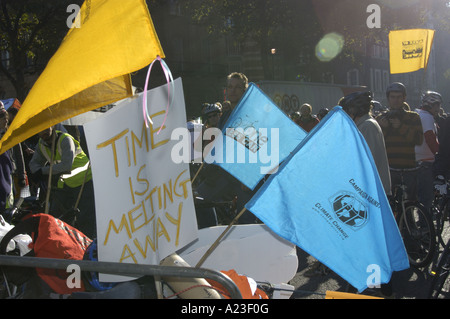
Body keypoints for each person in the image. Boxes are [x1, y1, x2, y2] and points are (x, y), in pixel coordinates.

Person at [29, 125, 96, 238]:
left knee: (85, 218)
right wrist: (38, 172)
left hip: (84, 182)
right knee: (58, 216)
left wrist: (42, 171)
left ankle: (88, 246)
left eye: (46, 127)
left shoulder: (65, 140)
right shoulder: (41, 144)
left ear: (53, 127)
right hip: (65, 184)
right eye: (40, 129)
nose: (44, 131)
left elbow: (66, 165)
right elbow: (33, 164)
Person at [376, 82, 423, 202]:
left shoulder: (413, 117)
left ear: (404, 98)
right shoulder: (381, 119)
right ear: (388, 98)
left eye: (398, 97)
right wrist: (383, 128)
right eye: (392, 97)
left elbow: (419, 140)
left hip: (409, 169)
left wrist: (401, 127)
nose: (395, 100)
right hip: (389, 169)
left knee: (410, 203)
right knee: (389, 203)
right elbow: (377, 145)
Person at [339, 91, 391, 195]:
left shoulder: (367, 126)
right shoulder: (364, 124)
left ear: (354, 110)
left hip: (371, 191)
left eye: (347, 110)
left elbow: (364, 161)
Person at [414, 91, 442, 211]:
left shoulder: (418, 113)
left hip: (415, 160)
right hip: (425, 162)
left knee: (417, 196)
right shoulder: (427, 117)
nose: (439, 109)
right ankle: (426, 226)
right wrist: (439, 152)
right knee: (426, 197)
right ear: (431, 104)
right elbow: (430, 138)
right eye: (438, 105)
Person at [0, 102, 14, 211]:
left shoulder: (8, 134)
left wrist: (22, 174)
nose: (5, 120)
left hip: (7, 178)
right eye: (2, 117)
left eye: (6, 117)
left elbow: (16, 154)